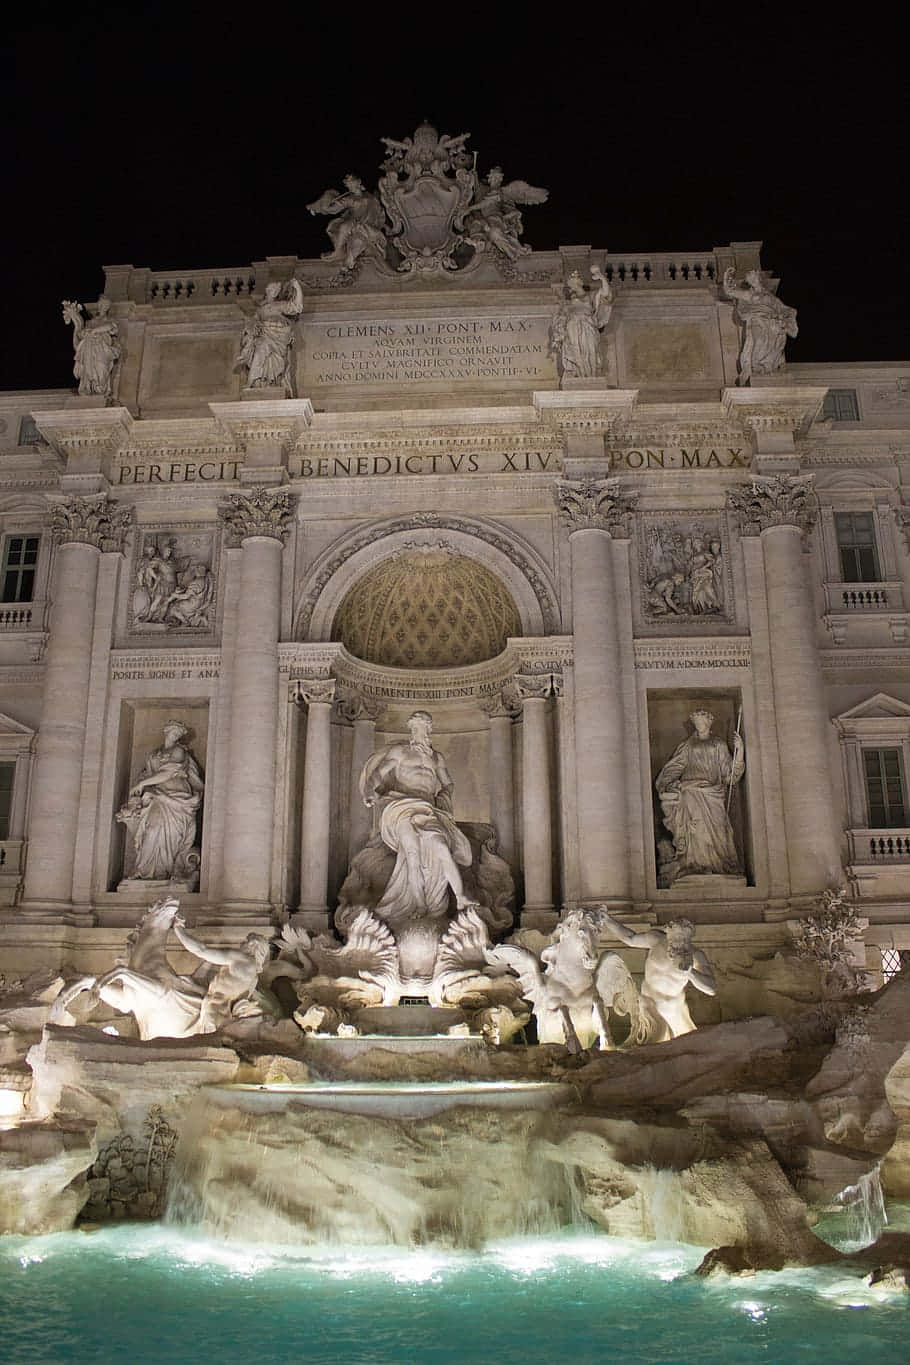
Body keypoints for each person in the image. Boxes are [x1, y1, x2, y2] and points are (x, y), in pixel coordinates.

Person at [359, 710, 473, 923]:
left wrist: (443, 798)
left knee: (441, 847)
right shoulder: (400, 752)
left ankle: (460, 897)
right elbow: (378, 774)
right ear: (411, 728)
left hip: (427, 809)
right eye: (419, 727)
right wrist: (370, 792)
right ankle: (419, 904)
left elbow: (448, 783)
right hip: (402, 807)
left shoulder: (436, 757)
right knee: (412, 854)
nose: (424, 731)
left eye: (427, 726)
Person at [655, 709, 744, 880]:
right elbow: (675, 766)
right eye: (697, 723)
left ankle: (719, 865)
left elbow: (729, 775)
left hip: (713, 794)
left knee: (719, 828)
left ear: (709, 724)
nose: (699, 725)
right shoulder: (687, 745)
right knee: (695, 830)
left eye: (702, 722)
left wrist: (740, 752)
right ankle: (695, 864)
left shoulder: (718, 744)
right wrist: (666, 783)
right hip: (691, 792)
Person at [598, 911, 716, 1041]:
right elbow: (630, 938)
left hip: (674, 1008)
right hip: (649, 1003)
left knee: (688, 1044)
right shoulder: (655, 939)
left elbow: (711, 989)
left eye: (684, 940)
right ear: (668, 933)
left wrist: (690, 973)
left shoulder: (695, 955)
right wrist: (608, 921)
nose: (680, 943)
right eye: (676, 938)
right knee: (655, 1042)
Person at [117, 721, 204, 883]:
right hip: (157, 796)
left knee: (171, 836)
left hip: (177, 799)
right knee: (151, 830)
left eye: (179, 734)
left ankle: (164, 873)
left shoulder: (179, 751)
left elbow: (168, 773)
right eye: (174, 732)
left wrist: (142, 784)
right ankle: (144, 871)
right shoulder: (154, 754)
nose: (176, 735)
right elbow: (148, 775)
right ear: (166, 731)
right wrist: (140, 789)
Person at [172, 913, 269, 1033]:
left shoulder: (242, 959)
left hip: (212, 1011)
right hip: (218, 1011)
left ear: (252, 945)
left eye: (245, 942)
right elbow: (227, 995)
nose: (241, 944)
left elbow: (202, 950)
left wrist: (178, 929)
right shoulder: (254, 977)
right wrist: (194, 987)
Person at [722, 267, 798, 385]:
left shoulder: (769, 295)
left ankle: (768, 367)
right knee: (759, 340)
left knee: (773, 344)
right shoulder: (749, 294)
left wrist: (784, 319)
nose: (752, 280)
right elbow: (729, 291)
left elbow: (781, 308)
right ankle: (756, 367)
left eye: (753, 277)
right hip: (757, 320)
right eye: (749, 278)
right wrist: (727, 277)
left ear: (758, 278)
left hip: (771, 322)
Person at [236, 278, 304, 393]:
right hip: (265, 336)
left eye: (273, 290)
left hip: (279, 337)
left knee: (270, 358)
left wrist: (297, 287)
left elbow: (297, 307)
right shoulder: (260, 309)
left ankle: (271, 382)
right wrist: (253, 328)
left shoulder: (280, 305)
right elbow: (252, 323)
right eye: (270, 289)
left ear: (276, 293)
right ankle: (252, 382)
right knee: (259, 353)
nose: (270, 291)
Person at [548, 267, 613, 379]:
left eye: (572, 285)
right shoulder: (567, 303)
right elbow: (560, 319)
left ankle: (592, 375)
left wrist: (601, 278)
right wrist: (558, 335)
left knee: (591, 349)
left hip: (588, 324)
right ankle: (580, 373)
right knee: (575, 348)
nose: (570, 288)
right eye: (570, 285)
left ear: (577, 284)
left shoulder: (591, 296)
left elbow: (606, 294)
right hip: (572, 325)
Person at [62, 296, 121, 398]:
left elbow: (110, 327)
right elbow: (80, 333)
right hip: (89, 347)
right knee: (88, 369)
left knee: (101, 368)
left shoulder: (110, 320)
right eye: (101, 304)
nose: (102, 306)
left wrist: (94, 331)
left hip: (102, 348)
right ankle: (88, 387)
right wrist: (78, 324)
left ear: (107, 307)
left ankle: (100, 388)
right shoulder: (91, 322)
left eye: (105, 305)